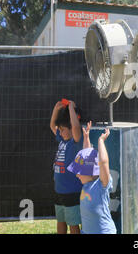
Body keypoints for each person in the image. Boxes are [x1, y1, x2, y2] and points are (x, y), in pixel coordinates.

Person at [67, 121, 117, 234]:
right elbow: (87, 156)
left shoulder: (101, 185)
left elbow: (103, 163)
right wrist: (86, 137)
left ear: (90, 172)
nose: (77, 174)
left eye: (80, 171)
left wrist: (101, 141)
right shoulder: (87, 183)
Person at [50, 99, 83, 234]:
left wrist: (70, 107)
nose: (60, 131)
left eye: (63, 129)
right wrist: (56, 109)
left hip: (71, 192)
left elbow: (75, 127)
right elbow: (53, 126)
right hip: (59, 191)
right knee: (61, 221)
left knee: (73, 225)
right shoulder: (62, 139)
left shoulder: (75, 142)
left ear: (70, 130)